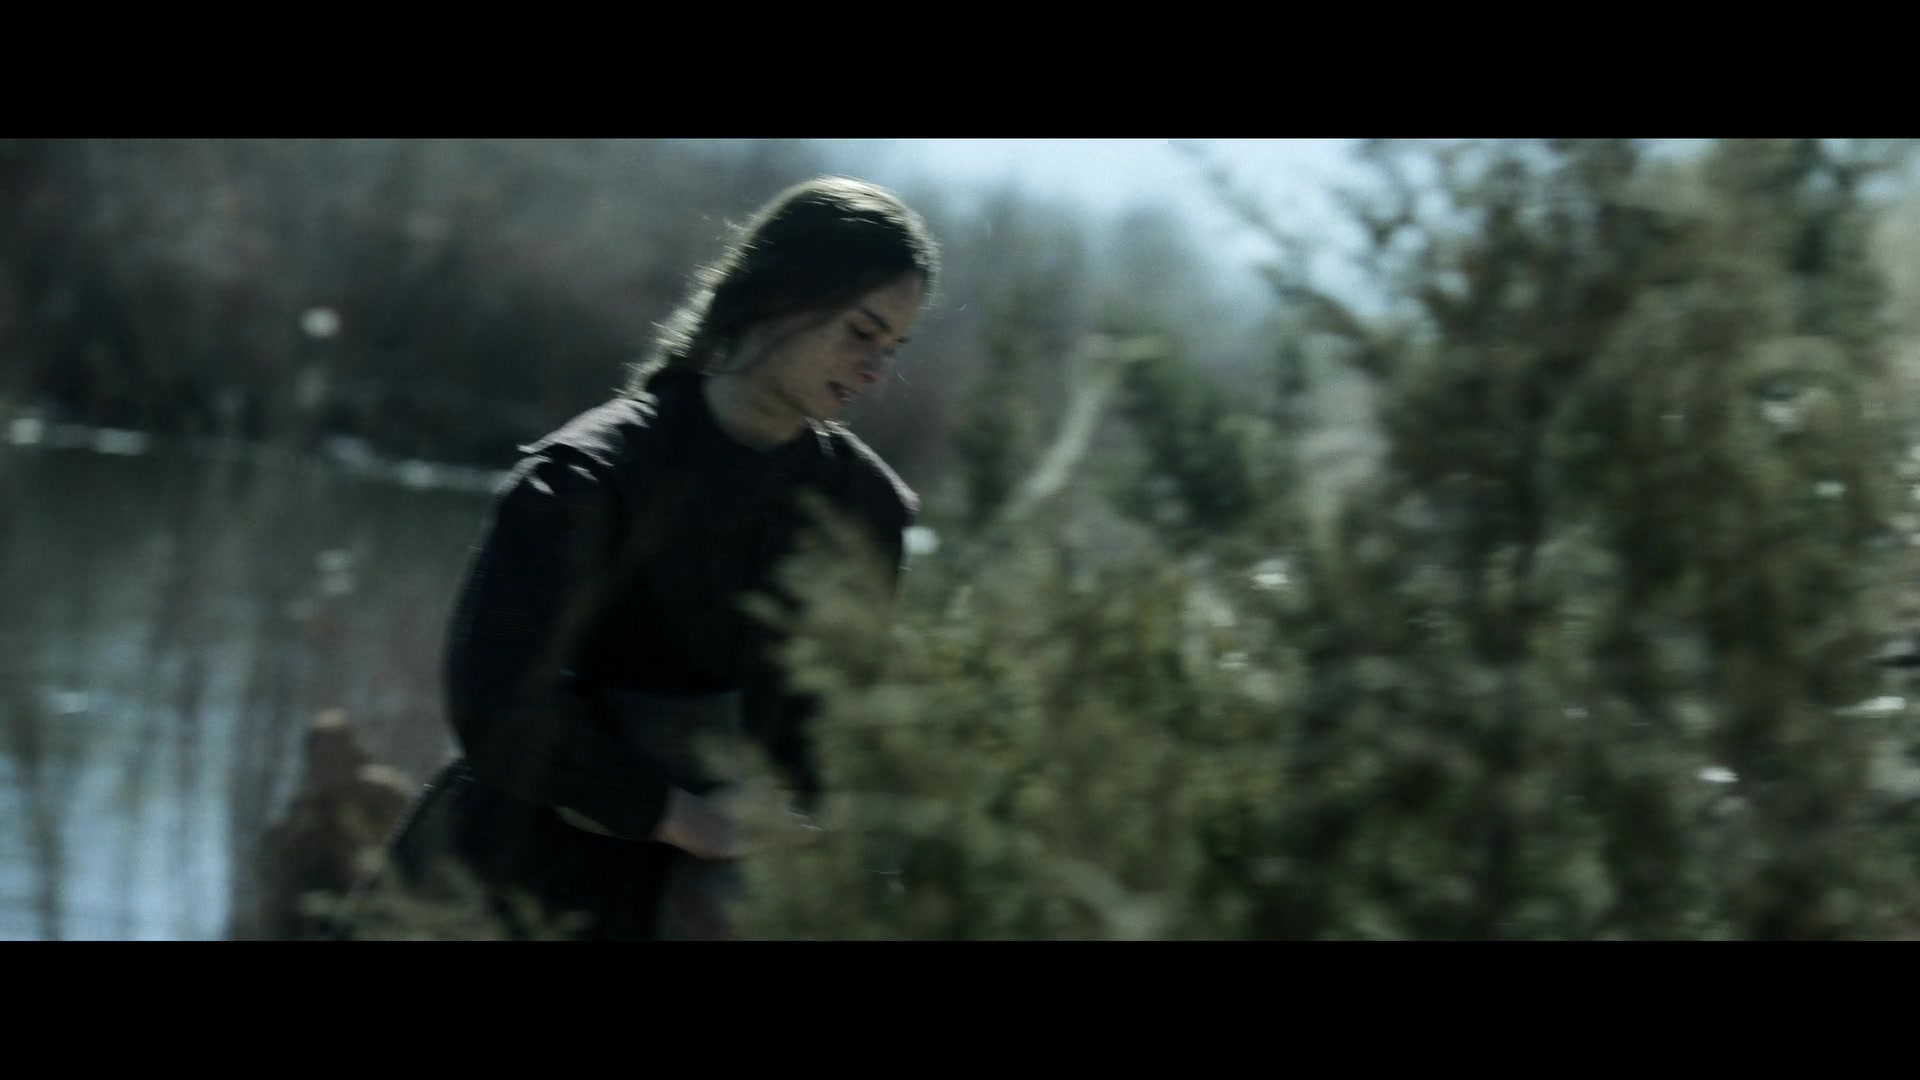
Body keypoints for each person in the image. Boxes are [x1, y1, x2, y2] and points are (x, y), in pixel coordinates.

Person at [344, 175, 939, 940]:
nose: (876, 371)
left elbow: (834, 737)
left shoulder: (864, 510)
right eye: (861, 332)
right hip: (519, 877)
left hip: (728, 898)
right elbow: (496, 704)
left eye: (893, 348)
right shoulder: (590, 474)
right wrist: (682, 817)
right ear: (781, 294)